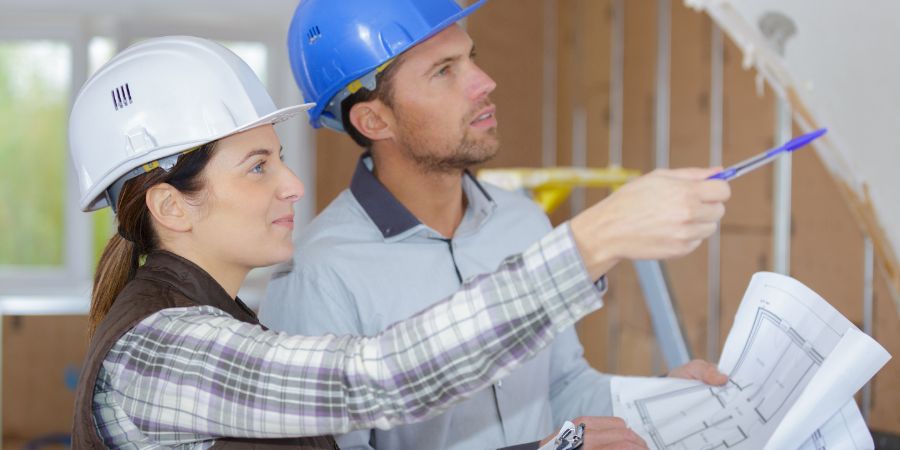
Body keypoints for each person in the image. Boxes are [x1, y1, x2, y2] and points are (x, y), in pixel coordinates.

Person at [69, 36, 659, 448]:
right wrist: (588, 244)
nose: (295, 186)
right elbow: (375, 378)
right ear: (172, 206)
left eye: (279, 161)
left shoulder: (222, 322)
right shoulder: (167, 351)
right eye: (257, 168)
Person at [261, 1, 731, 450]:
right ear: (375, 119)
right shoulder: (317, 274)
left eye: (471, 59)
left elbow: (563, 387)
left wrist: (659, 398)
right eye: (444, 71)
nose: (484, 82)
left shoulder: (521, 220)